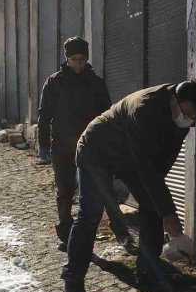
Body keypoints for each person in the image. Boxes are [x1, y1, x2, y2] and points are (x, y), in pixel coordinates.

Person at [62, 80, 196, 292]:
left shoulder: (182, 118)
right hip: (96, 150)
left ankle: (148, 274)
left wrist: (160, 204)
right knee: (90, 215)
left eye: (195, 118)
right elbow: (146, 167)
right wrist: (169, 213)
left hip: (128, 156)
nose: (189, 120)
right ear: (174, 99)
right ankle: (73, 287)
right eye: (187, 114)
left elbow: (163, 161)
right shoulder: (144, 109)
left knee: (153, 207)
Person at [37, 36, 130, 251]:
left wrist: (111, 143)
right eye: (74, 59)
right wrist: (43, 143)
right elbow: (45, 115)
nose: (78, 63)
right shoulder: (55, 82)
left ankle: (121, 231)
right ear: (67, 59)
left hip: (92, 146)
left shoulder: (96, 83)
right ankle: (66, 233)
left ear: (86, 59)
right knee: (65, 191)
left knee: (104, 188)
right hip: (63, 147)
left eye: (82, 59)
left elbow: (107, 115)